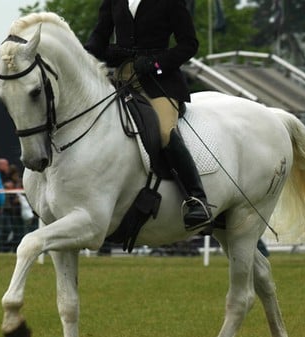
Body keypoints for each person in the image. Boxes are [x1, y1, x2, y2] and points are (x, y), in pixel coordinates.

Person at [85, 0, 212, 231]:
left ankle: (196, 199)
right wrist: (87, 53)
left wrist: (156, 63)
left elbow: (189, 44)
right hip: (122, 80)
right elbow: (99, 37)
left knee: (164, 132)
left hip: (158, 82)